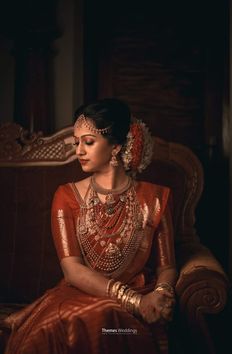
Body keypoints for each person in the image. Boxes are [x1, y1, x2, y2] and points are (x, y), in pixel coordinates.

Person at [4, 98, 177, 354]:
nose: (79, 151)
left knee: (113, 322)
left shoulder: (154, 198)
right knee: (91, 315)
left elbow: (168, 265)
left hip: (140, 291)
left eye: (88, 142)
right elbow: (72, 269)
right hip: (82, 292)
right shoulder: (66, 196)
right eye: (77, 143)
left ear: (116, 146)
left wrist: (161, 295)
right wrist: (134, 301)